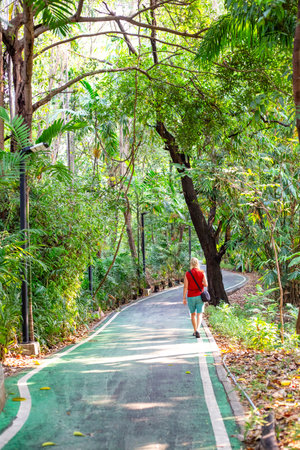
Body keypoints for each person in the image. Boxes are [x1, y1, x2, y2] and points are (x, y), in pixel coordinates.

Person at [183, 257, 208, 338]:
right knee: (199, 314)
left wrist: (184, 298)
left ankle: (195, 331)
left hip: (190, 296)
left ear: (191, 263)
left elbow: (185, 287)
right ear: (197, 263)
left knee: (193, 314)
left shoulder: (187, 273)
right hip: (200, 296)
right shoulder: (201, 272)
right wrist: (201, 283)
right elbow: (206, 284)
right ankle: (198, 329)